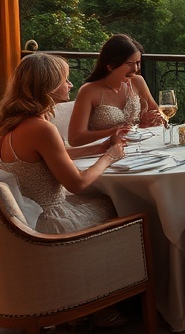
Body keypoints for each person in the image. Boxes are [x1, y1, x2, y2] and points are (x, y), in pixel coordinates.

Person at [0, 54, 127, 233]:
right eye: (64, 80)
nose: (71, 84)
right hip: (51, 224)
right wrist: (110, 156)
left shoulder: (12, 123)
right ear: (48, 86)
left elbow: (44, 159)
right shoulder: (41, 129)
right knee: (125, 204)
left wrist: (98, 148)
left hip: (28, 219)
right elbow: (77, 184)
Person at [68, 34, 161, 147]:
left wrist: (149, 121)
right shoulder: (88, 91)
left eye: (138, 63)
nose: (136, 69)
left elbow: (157, 114)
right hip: (103, 151)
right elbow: (75, 139)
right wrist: (112, 132)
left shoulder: (138, 81)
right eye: (129, 64)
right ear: (110, 66)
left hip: (137, 148)